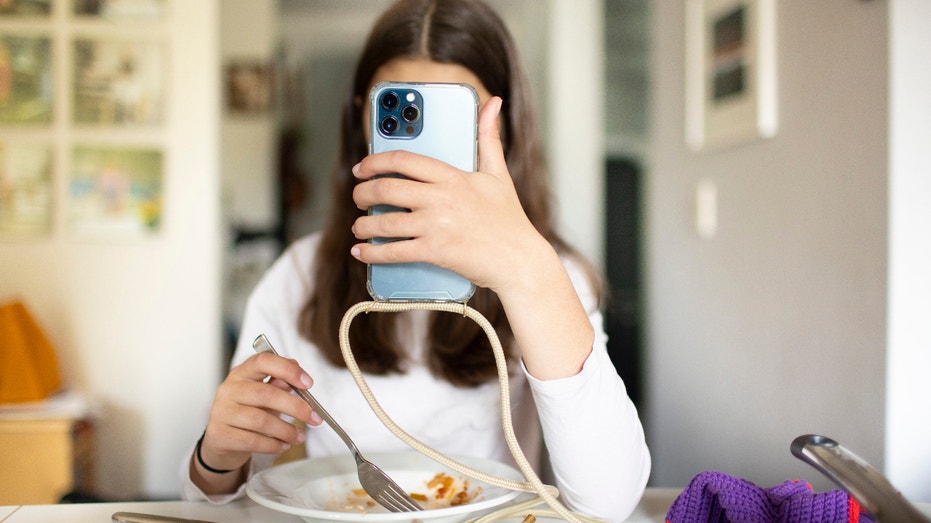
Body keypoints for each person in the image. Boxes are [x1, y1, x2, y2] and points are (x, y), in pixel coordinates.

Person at [180, 0, 650, 520]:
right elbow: (218, 501)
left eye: (450, 120)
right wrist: (216, 458)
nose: (424, 158)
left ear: (501, 128)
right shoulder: (297, 276)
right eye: (401, 113)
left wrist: (527, 270)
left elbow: (610, 504)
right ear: (362, 117)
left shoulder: (550, 275)